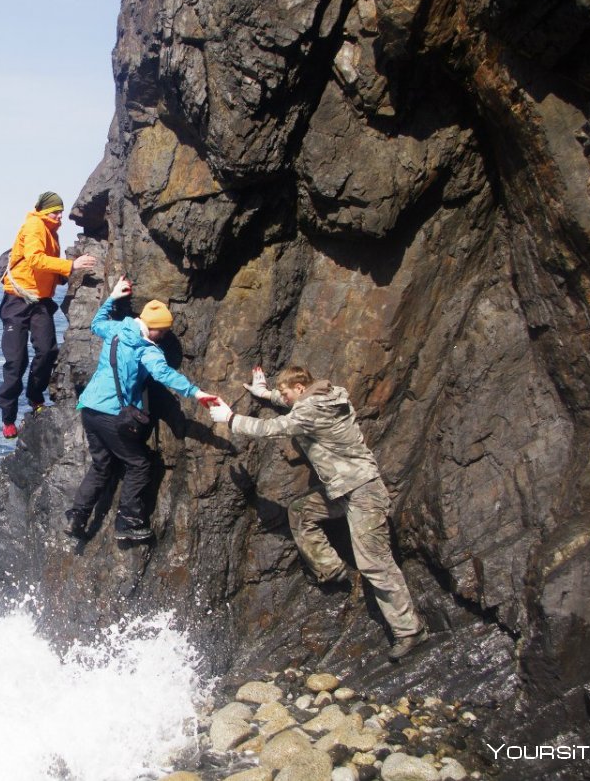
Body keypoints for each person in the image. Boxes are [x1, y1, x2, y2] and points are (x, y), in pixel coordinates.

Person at [206, 366, 428, 660]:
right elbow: (294, 404)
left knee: (375, 563)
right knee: (300, 511)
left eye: (286, 391)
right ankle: (331, 569)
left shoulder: (310, 410)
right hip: (343, 489)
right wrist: (266, 393)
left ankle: (410, 631)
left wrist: (230, 419)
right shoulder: (329, 396)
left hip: (362, 492)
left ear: (300, 387)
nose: (283, 396)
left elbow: (276, 429)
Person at [64, 276, 214, 542]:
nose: (165, 336)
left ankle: (77, 515)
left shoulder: (117, 330)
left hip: (89, 408)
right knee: (139, 464)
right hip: (112, 415)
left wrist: (112, 297)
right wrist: (196, 392)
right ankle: (128, 521)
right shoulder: (147, 350)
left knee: (101, 465)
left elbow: (96, 324)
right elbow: (164, 374)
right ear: (153, 328)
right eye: (164, 331)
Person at [0, 191, 98, 439]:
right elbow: (34, 260)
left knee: (47, 350)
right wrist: (71, 266)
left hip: (40, 301)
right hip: (17, 301)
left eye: (61, 211)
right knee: (16, 361)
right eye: (55, 211)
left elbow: (46, 263)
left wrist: (62, 276)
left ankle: (34, 396)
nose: (59, 215)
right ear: (43, 210)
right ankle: (8, 419)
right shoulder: (34, 225)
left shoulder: (51, 229)